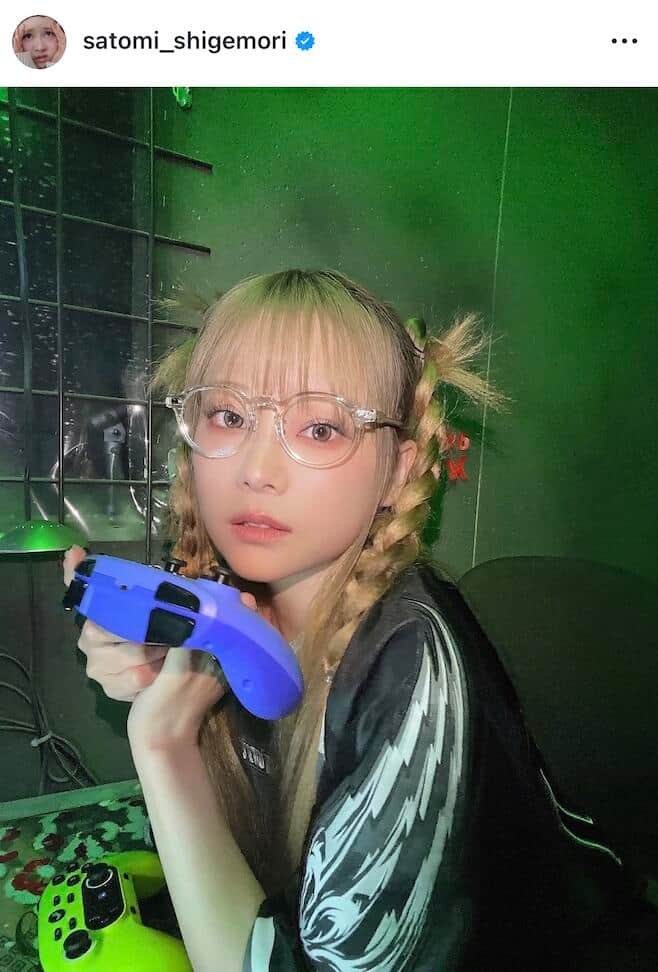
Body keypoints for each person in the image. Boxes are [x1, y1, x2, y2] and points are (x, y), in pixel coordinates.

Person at [62, 269, 636, 971]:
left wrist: (164, 744)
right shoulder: (216, 586)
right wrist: (153, 672)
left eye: (321, 427)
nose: (256, 470)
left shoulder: (409, 660)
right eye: (229, 416)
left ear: (397, 471)